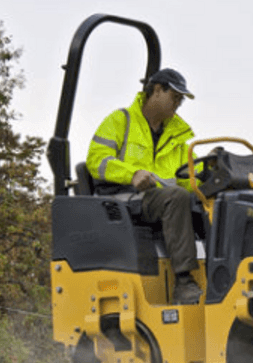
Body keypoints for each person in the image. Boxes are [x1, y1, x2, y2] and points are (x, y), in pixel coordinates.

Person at [86, 68, 202, 305]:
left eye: (181, 99)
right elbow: (96, 161)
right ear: (157, 90)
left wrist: (213, 178)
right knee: (176, 198)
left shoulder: (175, 137)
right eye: (175, 97)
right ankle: (184, 281)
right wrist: (132, 174)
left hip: (156, 201)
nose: (178, 103)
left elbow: (189, 177)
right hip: (122, 200)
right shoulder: (120, 121)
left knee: (209, 203)